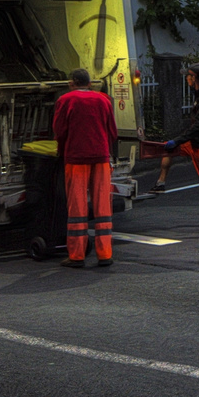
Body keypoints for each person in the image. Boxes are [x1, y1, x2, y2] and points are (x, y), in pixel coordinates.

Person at [51, 67, 119, 267]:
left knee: (77, 208)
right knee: (103, 206)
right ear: (89, 83)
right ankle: (105, 254)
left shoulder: (65, 100)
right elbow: (112, 131)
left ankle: (77, 255)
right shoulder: (103, 100)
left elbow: (59, 130)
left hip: (76, 158)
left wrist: (61, 151)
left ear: (72, 82)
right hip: (101, 157)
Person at [154, 64, 199, 232]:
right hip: (195, 142)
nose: (186, 78)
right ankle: (160, 183)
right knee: (169, 149)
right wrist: (177, 142)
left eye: (188, 76)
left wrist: (178, 139)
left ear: (194, 78)